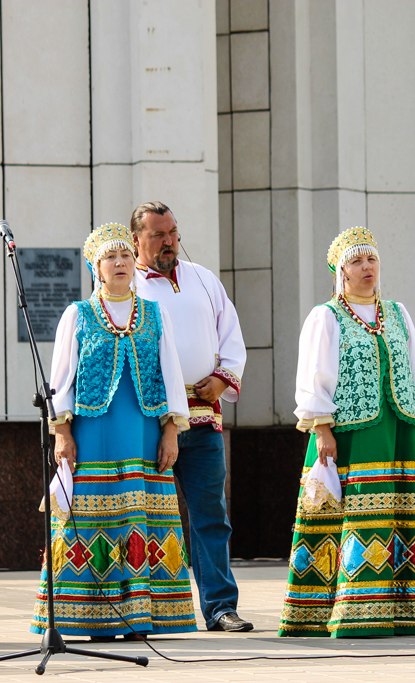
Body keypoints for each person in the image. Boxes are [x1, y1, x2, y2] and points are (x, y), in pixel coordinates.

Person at [279, 226, 415, 638]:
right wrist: (322, 429)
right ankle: (357, 611)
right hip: (352, 434)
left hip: (399, 428)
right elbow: (314, 376)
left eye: (371, 259)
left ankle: (412, 612)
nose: (366, 267)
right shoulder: (326, 316)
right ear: (340, 271)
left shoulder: (396, 313)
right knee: (358, 514)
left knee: (404, 514)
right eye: (357, 261)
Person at [31, 223, 197, 641]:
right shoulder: (78, 315)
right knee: (92, 520)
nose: (120, 263)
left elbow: (170, 375)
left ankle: (141, 616)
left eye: (126, 255)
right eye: (110, 257)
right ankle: (92, 616)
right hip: (94, 434)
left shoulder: (154, 314)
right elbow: (60, 379)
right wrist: (62, 433)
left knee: (140, 518)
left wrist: (172, 431)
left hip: (143, 431)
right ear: (97, 268)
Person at [131, 202, 251, 632]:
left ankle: (221, 607)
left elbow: (232, 337)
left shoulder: (203, 278)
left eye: (173, 231)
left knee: (211, 515)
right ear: (135, 241)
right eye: (158, 234)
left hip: (202, 417)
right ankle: (144, 610)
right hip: (150, 421)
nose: (169, 241)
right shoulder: (128, 286)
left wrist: (222, 379)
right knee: (142, 516)